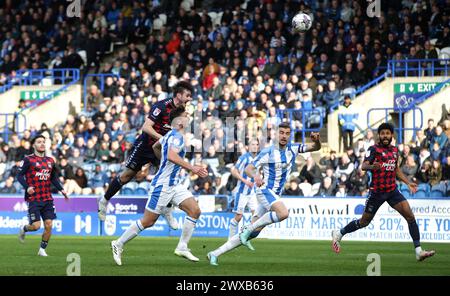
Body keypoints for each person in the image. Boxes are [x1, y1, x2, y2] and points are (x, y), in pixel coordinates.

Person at [207, 123, 322, 265]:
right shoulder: (267, 152)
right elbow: (249, 169)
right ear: (276, 134)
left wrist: (316, 140)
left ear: (290, 135)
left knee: (253, 233)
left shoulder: (293, 148)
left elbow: (315, 147)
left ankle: (215, 253)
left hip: (274, 194)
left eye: (287, 133)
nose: (284, 136)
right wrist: (255, 176)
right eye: (281, 132)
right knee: (283, 213)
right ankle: (248, 228)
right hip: (264, 190)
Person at [111, 107, 208, 265]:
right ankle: (118, 243)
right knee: (148, 221)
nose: (188, 119)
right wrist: (192, 167)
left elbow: (156, 146)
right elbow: (170, 155)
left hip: (174, 184)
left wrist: (162, 160)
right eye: (185, 116)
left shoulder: (170, 134)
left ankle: (182, 247)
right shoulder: (176, 136)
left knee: (195, 210)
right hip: (162, 185)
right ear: (179, 121)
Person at [331, 123, 435, 261]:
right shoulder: (373, 149)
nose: (385, 135)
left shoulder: (394, 150)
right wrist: (373, 166)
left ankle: (418, 251)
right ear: (379, 135)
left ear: (392, 135)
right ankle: (339, 233)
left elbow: (396, 169)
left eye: (388, 133)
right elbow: (363, 165)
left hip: (392, 191)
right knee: (364, 222)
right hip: (377, 192)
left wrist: (408, 182)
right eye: (383, 133)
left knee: (410, 217)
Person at [98, 81, 194, 229]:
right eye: (187, 95)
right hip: (145, 145)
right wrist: (162, 139)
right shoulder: (161, 106)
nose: (190, 99)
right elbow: (146, 127)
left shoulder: (182, 111)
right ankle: (104, 200)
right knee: (126, 176)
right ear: (179, 95)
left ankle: (168, 210)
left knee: (168, 173)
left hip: (161, 148)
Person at [17, 134, 69, 256]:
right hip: (34, 198)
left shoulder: (50, 160)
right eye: (39, 142)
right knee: (35, 226)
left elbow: (53, 178)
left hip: (47, 198)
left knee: (49, 225)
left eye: (43, 142)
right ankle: (24, 229)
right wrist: (27, 187)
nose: (42, 144)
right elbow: (19, 176)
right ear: (34, 145)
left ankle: (42, 250)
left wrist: (62, 190)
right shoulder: (28, 160)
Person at [228, 139, 260, 248]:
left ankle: (245, 236)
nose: (255, 146)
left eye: (256, 144)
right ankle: (231, 240)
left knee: (256, 216)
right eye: (253, 144)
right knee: (238, 216)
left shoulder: (259, 158)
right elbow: (234, 171)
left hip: (252, 193)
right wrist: (245, 181)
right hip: (242, 192)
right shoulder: (244, 158)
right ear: (248, 147)